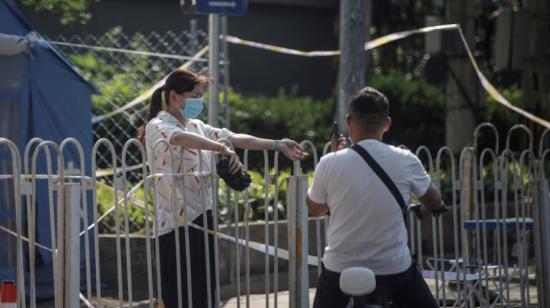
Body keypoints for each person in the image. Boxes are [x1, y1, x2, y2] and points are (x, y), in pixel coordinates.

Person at [137, 68, 307, 308]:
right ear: (175, 96)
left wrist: (278, 145)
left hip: (203, 217)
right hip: (175, 223)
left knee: (204, 295)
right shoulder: (158, 125)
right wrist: (220, 149)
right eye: (195, 95)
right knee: (179, 296)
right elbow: (177, 139)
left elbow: (235, 137)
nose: (200, 100)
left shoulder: (196, 125)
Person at [306, 87, 444, 308]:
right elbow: (434, 200)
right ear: (387, 123)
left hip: (339, 270)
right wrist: (428, 208)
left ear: (349, 121)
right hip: (393, 270)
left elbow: (315, 209)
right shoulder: (406, 159)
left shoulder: (329, 162)